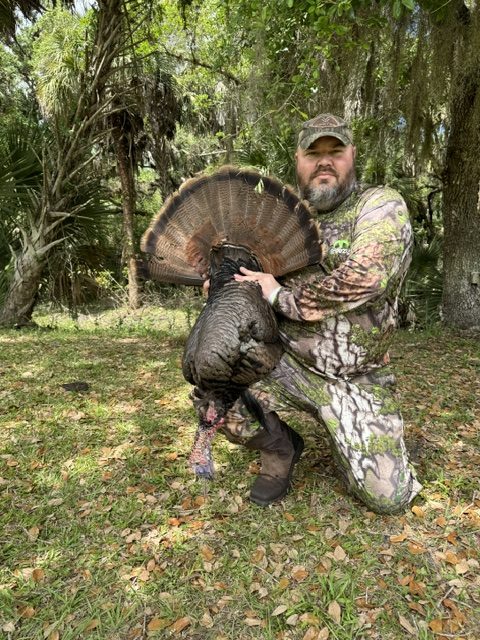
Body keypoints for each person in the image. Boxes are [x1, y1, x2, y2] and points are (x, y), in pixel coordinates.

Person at [221, 113, 422, 514]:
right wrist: (223, 287)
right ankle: (281, 447)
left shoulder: (379, 205)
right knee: (213, 387)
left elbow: (367, 278)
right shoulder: (277, 217)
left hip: (356, 378)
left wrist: (282, 297)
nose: (324, 161)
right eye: (313, 153)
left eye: (336, 151)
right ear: (298, 160)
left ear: (352, 156)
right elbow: (245, 281)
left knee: (388, 497)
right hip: (286, 363)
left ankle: (352, 436)